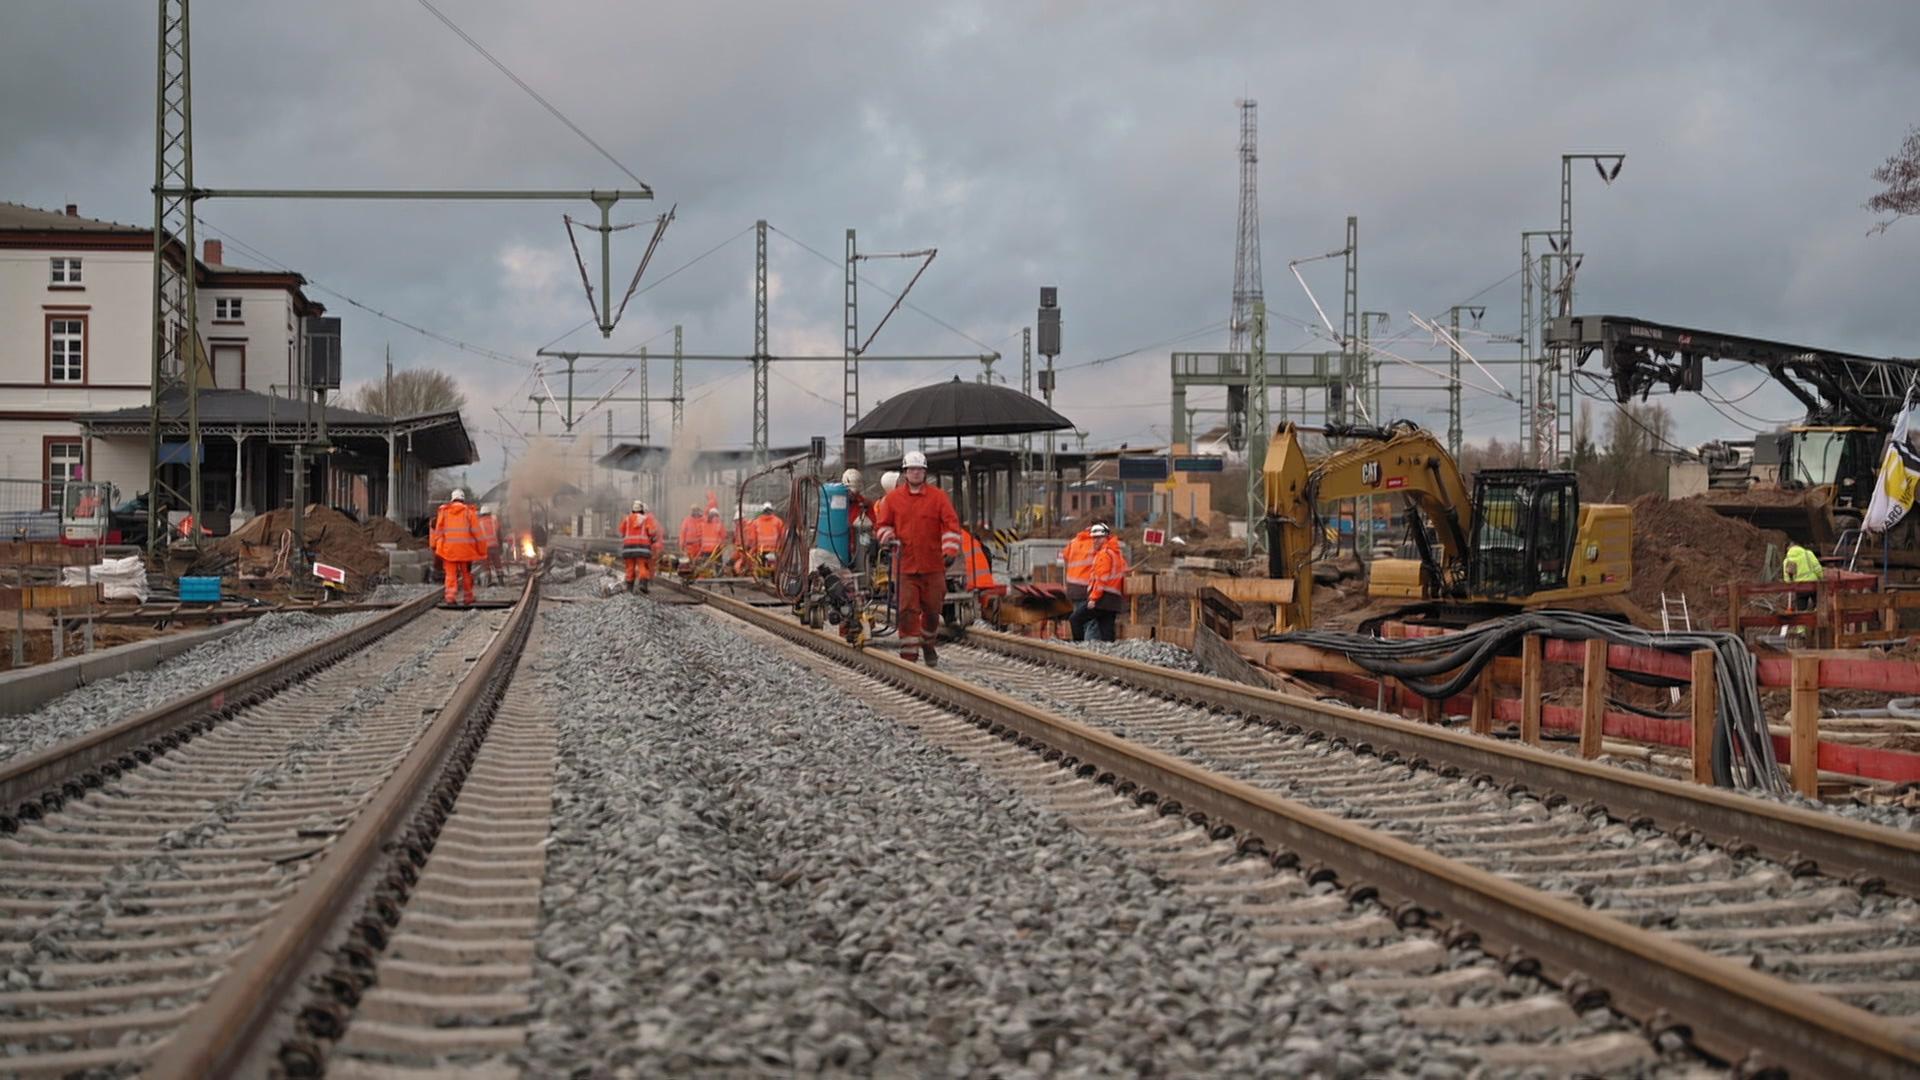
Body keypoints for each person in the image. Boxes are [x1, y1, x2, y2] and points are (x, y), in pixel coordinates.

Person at [873, 450, 962, 666]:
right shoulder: (893, 499)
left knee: (933, 610)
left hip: (933, 566)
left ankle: (928, 643)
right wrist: (888, 537)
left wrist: (950, 551)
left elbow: (951, 525)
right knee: (907, 611)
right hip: (905, 566)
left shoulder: (938, 497)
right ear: (905, 472)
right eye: (911, 469)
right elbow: (882, 525)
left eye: (919, 470)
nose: (915, 473)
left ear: (924, 472)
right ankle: (909, 658)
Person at [1075, 522, 1129, 642]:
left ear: (1106, 538)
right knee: (1107, 632)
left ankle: (1077, 649)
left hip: (1102, 599)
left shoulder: (1104, 555)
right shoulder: (1116, 553)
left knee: (1075, 619)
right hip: (1113, 599)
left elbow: (1101, 579)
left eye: (1098, 538)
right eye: (1094, 538)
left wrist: (1094, 598)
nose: (1095, 541)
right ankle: (1109, 655)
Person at [431, 488, 485, 606]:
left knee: (450, 575)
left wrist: (437, 547)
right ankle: (468, 597)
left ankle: (450, 597)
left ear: (452, 499)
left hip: (449, 551)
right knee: (466, 574)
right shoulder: (469, 512)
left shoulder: (444, 512)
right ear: (463, 499)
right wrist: (482, 550)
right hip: (465, 551)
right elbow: (478, 534)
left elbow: (438, 532)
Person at [1058, 523, 1099, 640]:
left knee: (1079, 618)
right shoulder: (1096, 544)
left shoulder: (1074, 542)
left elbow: (1065, 557)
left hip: (1073, 588)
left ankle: (1080, 646)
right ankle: (1088, 649)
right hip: (1087, 589)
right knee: (1090, 621)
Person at [619, 499, 663, 594]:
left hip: (628, 548)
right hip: (642, 548)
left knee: (629, 568)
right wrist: (651, 538)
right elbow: (652, 532)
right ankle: (643, 585)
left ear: (633, 510)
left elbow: (621, 531)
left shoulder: (626, 519)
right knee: (643, 567)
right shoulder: (646, 519)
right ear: (642, 510)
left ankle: (629, 588)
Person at [1783, 540, 1824, 617]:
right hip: (1813, 584)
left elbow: (1787, 579)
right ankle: (1817, 623)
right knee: (1818, 607)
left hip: (1800, 587)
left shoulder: (1787, 560)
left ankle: (1801, 627)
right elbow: (1818, 568)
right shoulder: (1808, 554)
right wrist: (1821, 578)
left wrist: (1791, 585)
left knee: (1801, 610)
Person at [477, 504, 502, 586]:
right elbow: (499, 534)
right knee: (498, 565)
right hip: (495, 546)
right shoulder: (494, 521)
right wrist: (500, 546)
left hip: (484, 548)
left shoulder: (478, 523)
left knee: (486, 566)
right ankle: (501, 581)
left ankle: (488, 582)